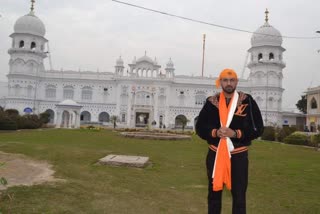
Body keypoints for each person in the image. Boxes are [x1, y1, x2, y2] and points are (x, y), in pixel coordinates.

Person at [196, 68, 264, 214]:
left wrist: (236, 133)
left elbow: (258, 128)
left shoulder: (247, 101)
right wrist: (214, 132)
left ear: (236, 82)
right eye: (225, 80)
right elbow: (200, 127)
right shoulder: (211, 102)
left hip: (238, 156)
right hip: (215, 154)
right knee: (214, 194)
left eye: (232, 80)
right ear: (220, 82)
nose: (229, 83)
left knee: (239, 196)